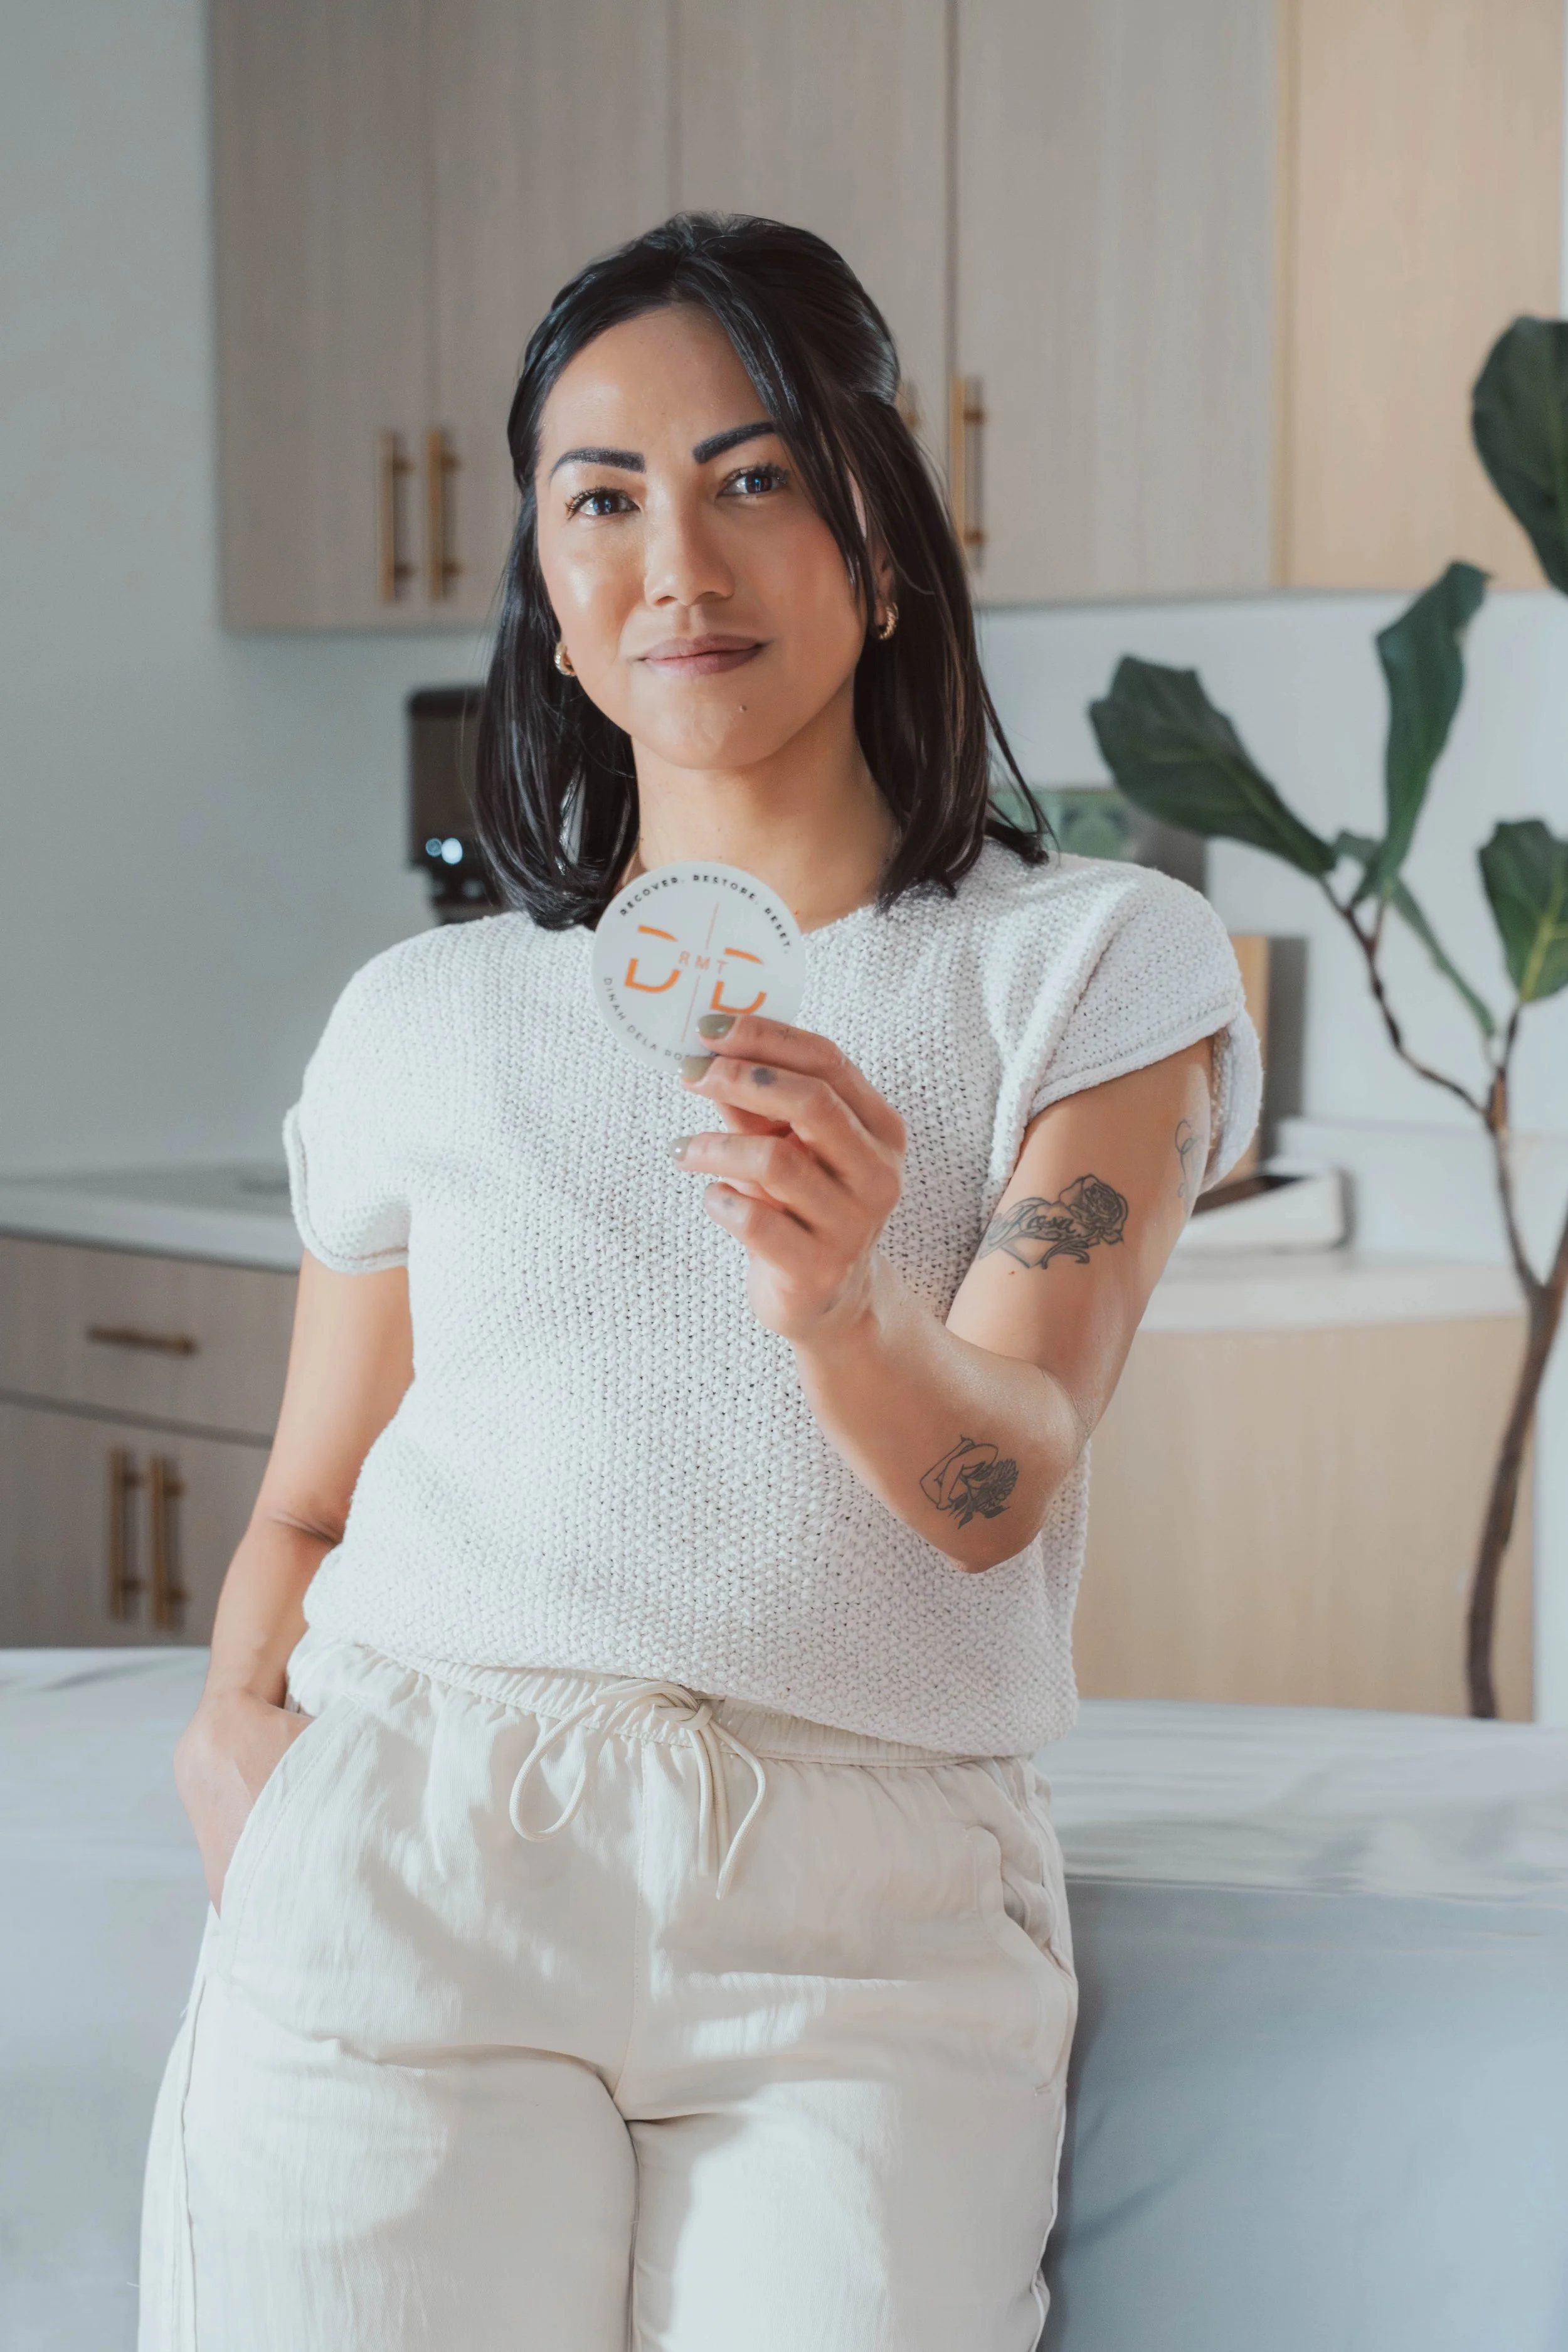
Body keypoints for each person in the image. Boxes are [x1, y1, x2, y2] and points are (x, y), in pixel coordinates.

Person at [140, 211, 1259, 2351]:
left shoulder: (1088, 966)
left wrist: (847, 1302)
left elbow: (995, 1485)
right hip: (415, 1847)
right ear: (551, 601)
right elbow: (310, 1497)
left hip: (874, 1918)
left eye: (751, 477)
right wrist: (234, 1734)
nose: (679, 560)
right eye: (604, 498)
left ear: (885, 542)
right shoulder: (422, 1016)